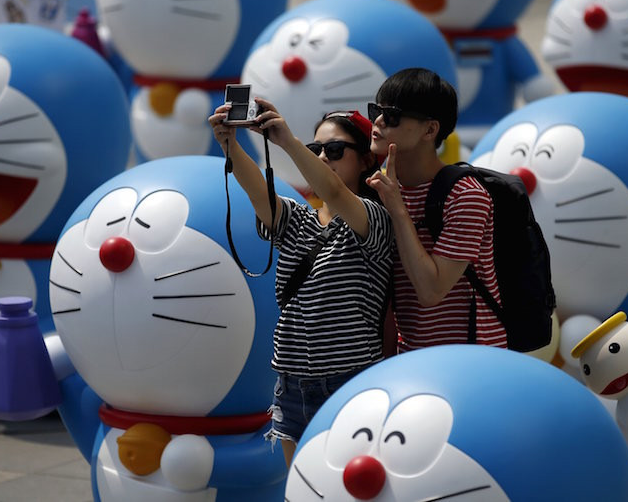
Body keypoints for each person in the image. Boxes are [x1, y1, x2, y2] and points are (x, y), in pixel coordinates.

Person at [209, 100, 393, 466]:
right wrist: (229, 143)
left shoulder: (374, 217)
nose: (323, 157)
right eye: (316, 150)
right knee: (301, 488)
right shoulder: (298, 219)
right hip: (291, 382)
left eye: (336, 150)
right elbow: (259, 193)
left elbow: (339, 195)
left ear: (366, 160)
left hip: (349, 380)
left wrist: (288, 142)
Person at [366, 67, 508, 352]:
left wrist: (398, 210)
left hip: (470, 356)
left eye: (392, 115)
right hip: (410, 355)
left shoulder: (466, 195)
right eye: (375, 111)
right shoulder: (380, 186)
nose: (379, 121)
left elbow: (431, 291)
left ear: (430, 130)